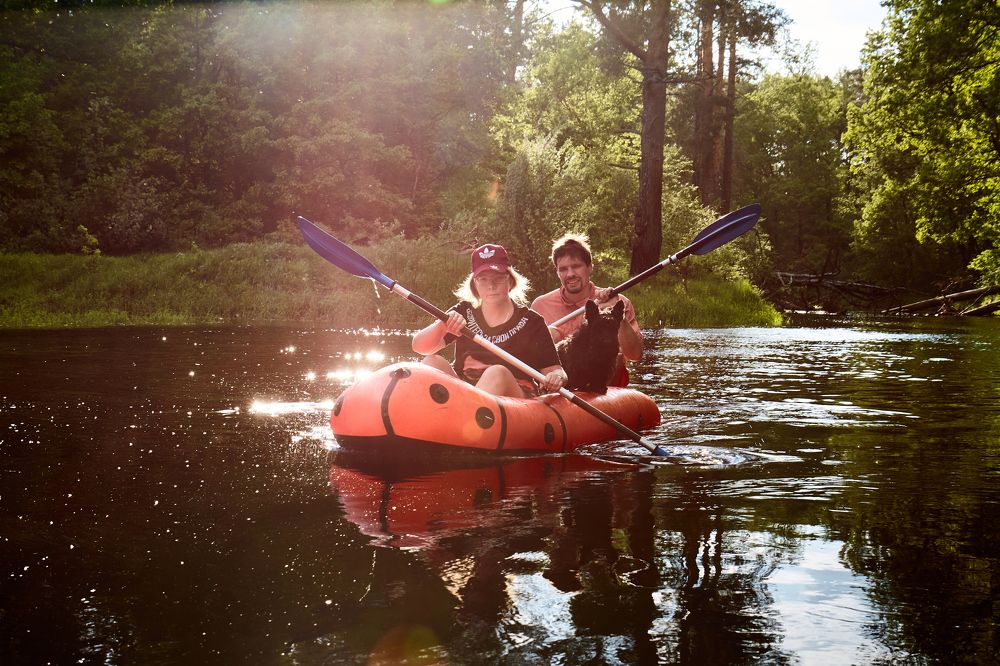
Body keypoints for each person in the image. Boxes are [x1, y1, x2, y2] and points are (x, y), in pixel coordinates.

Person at [412, 243, 568, 398]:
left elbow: (555, 370)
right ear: (475, 284)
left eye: (498, 278)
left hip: (514, 396)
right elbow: (419, 347)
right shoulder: (463, 311)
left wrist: (556, 376)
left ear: (510, 280)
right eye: (483, 279)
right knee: (431, 362)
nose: (491, 286)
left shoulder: (532, 322)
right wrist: (442, 326)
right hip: (465, 389)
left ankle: (461, 415)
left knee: (496, 373)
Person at [530, 233, 643, 387]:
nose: (570, 274)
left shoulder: (619, 303)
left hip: (605, 385)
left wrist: (619, 319)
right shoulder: (540, 306)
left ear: (589, 267)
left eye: (576, 266)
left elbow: (635, 355)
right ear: (557, 272)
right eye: (563, 269)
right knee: (553, 336)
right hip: (558, 386)